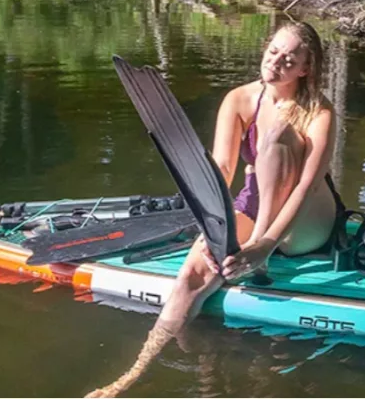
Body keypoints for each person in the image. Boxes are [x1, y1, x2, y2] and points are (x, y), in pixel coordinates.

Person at [87, 21, 338, 397]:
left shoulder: (319, 112)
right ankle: (135, 374)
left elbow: (308, 185)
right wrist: (212, 229)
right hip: (255, 208)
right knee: (190, 276)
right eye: (273, 52)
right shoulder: (239, 100)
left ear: (305, 69)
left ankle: (258, 254)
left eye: (289, 59)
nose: (276, 63)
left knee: (276, 138)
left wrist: (262, 245)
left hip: (305, 222)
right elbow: (220, 171)